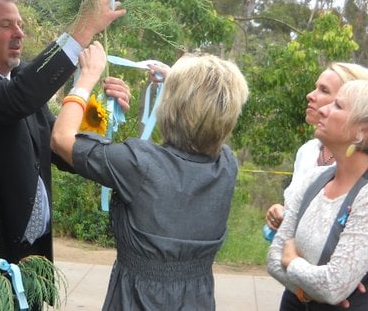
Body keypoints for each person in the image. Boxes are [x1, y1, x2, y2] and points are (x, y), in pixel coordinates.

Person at [0, 0, 128, 271]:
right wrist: (83, 31)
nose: (19, 33)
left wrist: (103, 112)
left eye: (20, 25)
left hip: (32, 259)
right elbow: (15, 99)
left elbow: (63, 146)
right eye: (6, 25)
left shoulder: (22, 85)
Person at [50, 42, 249, 310]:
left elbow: (62, 139)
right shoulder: (227, 164)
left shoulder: (139, 165)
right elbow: (191, 137)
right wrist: (177, 82)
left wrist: (86, 77)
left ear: (173, 106)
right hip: (197, 301)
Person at [266, 79, 368, 309]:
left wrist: (291, 261)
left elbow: (332, 286)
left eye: (338, 106)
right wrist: (307, 291)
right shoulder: (315, 179)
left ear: (363, 131)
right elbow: (273, 260)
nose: (323, 109)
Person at [266, 63, 368, 232]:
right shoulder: (308, 151)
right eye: (316, 88)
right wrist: (281, 213)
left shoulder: (358, 169)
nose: (310, 96)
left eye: (324, 90)